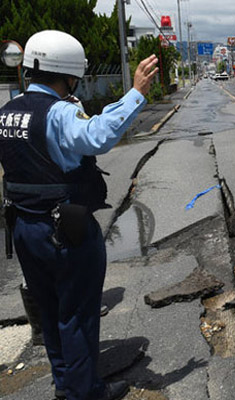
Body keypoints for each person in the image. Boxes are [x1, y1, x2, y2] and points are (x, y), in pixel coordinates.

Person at [0, 30, 158, 400]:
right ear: (70, 74)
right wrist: (136, 93)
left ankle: (65, 385)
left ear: (29, 70)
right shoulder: (59, 113)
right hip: (65, 231)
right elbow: (97, 135)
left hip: (24, 227)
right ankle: (86, 392)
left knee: (51, 313)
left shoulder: (6, 113)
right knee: (77, 315)